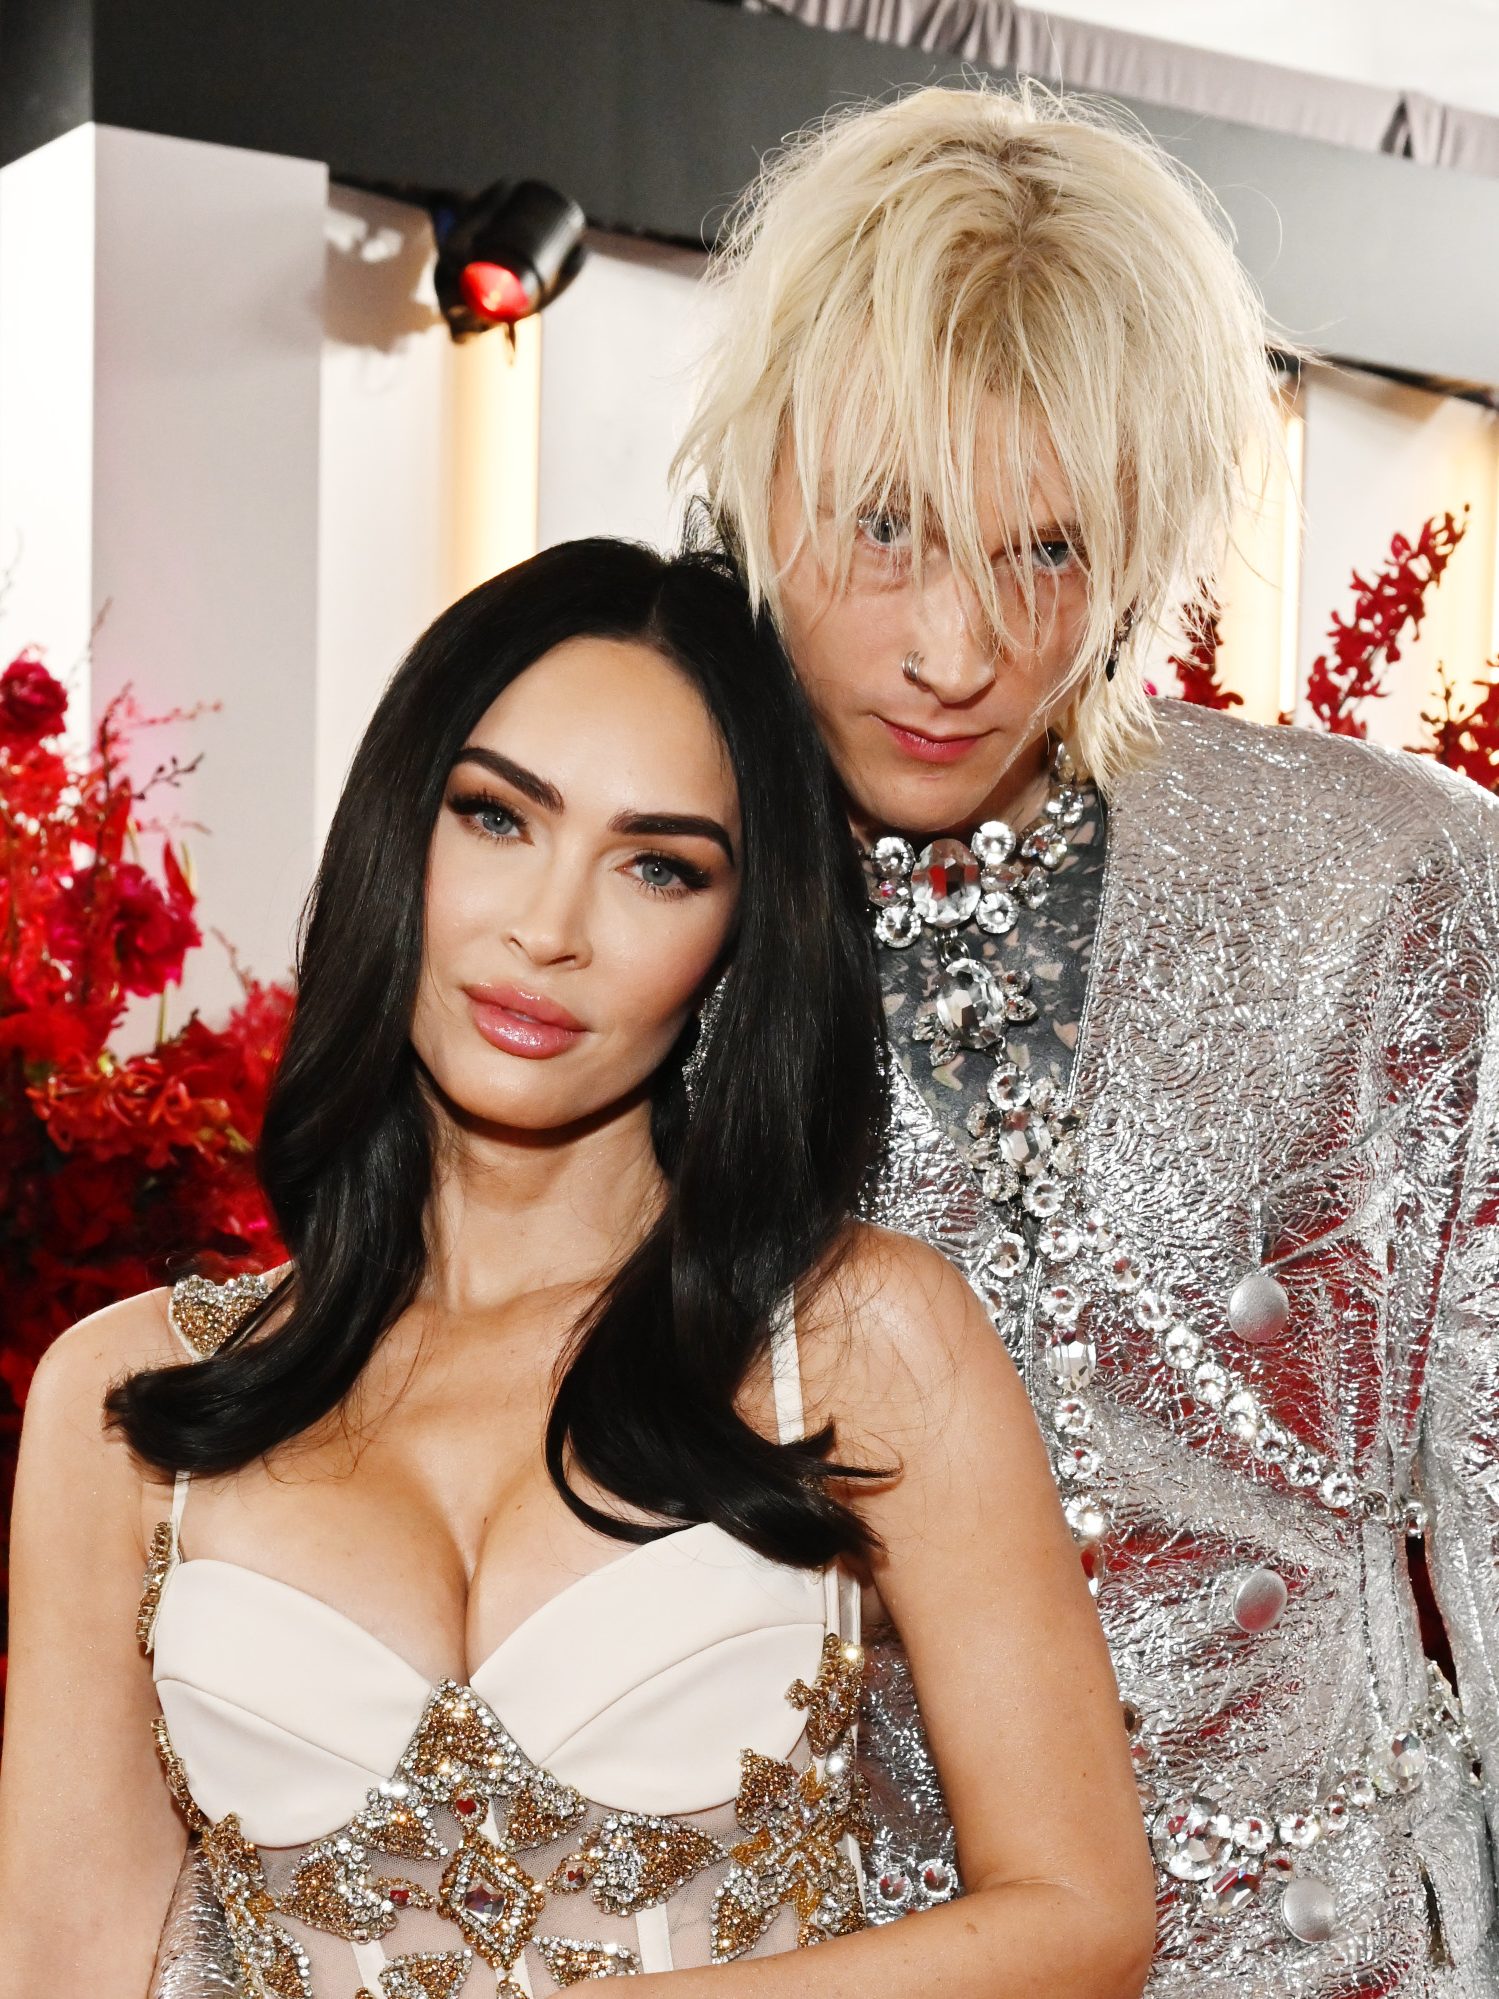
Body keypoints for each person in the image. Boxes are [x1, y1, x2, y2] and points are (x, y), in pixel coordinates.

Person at [0, 540, 1153, 1998]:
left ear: (736, 935)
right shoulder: (127, 1397)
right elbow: (66, 1967)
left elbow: (1080, 1917)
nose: (549, 931)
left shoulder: (862, 1337)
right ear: (399, 832)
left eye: (659, 867)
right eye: (498, 817)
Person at [675, 80, 1499, 1996]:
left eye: (1047, 550)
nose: (954, 650)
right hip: (833, 1954)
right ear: (762, 467)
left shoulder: (1390, 888)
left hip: (1337, 1949)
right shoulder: (649, 893)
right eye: (886, 528)